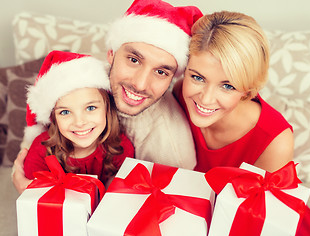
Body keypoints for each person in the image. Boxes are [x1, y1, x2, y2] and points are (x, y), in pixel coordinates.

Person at [13, 0, 203, 193]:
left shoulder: (171, 146)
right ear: (111, 54)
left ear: (172, 76)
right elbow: (37, 135)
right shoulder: (81, 79)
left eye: (161, 72)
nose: (140, 84)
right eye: (134, 60)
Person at [173, 11, 310, 236]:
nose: (206, 99)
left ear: (247, 91)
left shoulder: (273, 140)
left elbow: (256, 226)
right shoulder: (178, 95)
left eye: (227, 86)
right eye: (197, 77)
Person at [23, 50, 134, 186]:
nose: (80, 122)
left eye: (91, 108)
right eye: (65, 112)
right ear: (53, 119)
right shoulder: (41, 151)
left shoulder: (120, 147)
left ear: (107, 109)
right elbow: (35, 200)